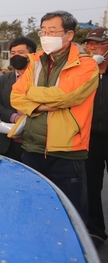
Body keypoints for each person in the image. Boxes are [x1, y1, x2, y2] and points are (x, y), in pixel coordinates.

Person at [11, 10, 98, 223]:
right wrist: (41, 106)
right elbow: (15, 96)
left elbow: (66, 96)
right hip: (32, 148)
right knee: (32, 210)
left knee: (70, 215)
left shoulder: (86, 65)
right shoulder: (34, 62)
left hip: (67, 152)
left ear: (68, 35)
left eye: (52, 31)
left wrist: (31, 94)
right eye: (43, 31)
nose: (46, 36)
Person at [0, 36, 36, 161]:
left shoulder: (40, 79)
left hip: (35, 143)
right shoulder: (3, 80)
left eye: (21, 53)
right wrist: (14, 117)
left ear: (32, 55)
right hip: (8, 142)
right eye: (13, 53)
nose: (16, 56)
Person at [83, 27, 108, 246]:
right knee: (91, 185)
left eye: (98, 43)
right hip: (89, 138)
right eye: (89, 44)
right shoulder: (84, 74)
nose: (92, 48)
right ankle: (96, 231)